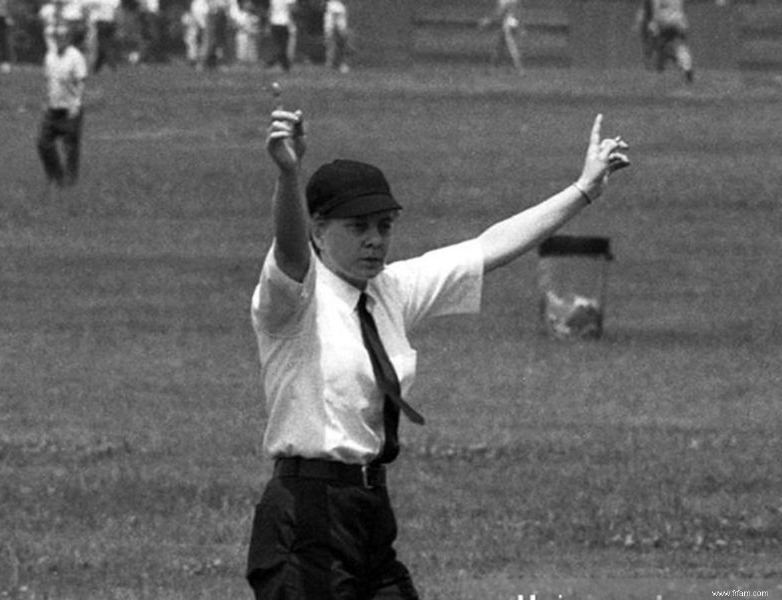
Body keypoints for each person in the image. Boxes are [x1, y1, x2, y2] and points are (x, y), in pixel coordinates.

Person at [245, 98, 630, 597]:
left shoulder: (391, 289)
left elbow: (490, 247)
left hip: (368, 512)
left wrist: (582, 190)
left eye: (384, 226)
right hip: (305, 514)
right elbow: (291, 252)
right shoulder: (292, 300)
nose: (375, 241)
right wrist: (287, 176)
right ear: (319, 229)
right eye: (357, 227)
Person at [37, 22, 87, 192]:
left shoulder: (76, 57)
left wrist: (76, 104)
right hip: (53, 108)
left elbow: (80, 82)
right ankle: (55, 176)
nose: (59, 40)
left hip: (70, 109)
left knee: (70, 147)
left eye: (63, 37)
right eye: (56, 37)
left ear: (68, 39)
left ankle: (70, 182)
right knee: (43, 143)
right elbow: (48, 81)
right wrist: (46, 101)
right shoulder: (49, 56)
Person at [647, 0, 694, 83]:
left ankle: (660, 64)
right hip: (679, 21)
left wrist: (654, 25)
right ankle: (686, 65)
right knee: (679, 45)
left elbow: (655, 11)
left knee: (661, 44)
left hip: (663, 21)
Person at [479, 0, 524, 75]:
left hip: (507, 24)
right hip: (508, 23)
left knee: (508, 47)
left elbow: (501, 12)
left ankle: (519, 69)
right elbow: (516, 12)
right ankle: (492, 68)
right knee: (500, 46)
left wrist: (488, 21)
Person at [264, 0, 293, 72]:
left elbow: (270, 10)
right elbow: (291, 10)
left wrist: (267, 24)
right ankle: (274, 62)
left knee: (278, 45)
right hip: (284, 22)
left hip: (274, 22)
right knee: (283, 45)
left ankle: (284, 65)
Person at [323, 0, 348, 73]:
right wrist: (337, 30)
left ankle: (333, 65)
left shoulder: (334, 4)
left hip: (334, 29)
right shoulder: (335, 4)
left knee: (334, 48)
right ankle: (332, 66)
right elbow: (335, 17)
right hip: (336, 30)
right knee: (333, 48)